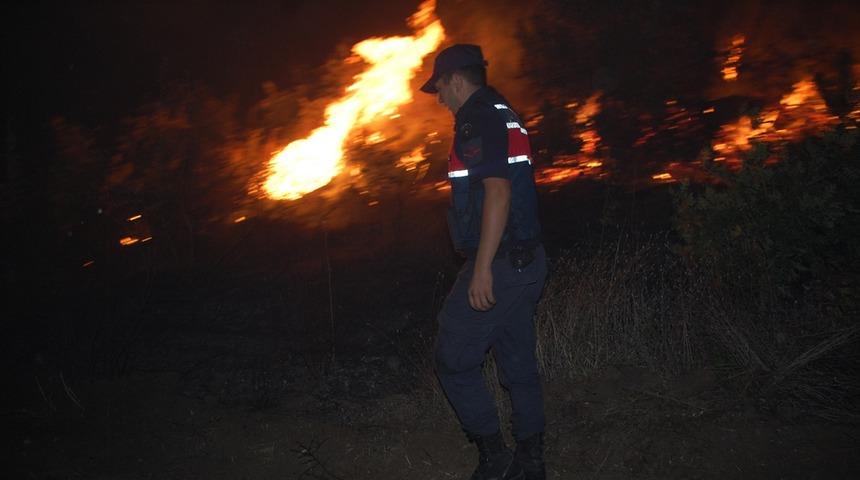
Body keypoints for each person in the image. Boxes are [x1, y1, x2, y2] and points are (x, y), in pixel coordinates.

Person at [420, 44, 548, 480]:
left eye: (439, 87)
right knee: (517, 364)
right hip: (526, 260)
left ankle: (495, 456)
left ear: (456, 79)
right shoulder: (505, 111)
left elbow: (497, 191)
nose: (438, 98)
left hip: (500, 264)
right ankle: (531, 462)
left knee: (453, 357)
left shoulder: (476, 116)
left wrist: (480, 270)